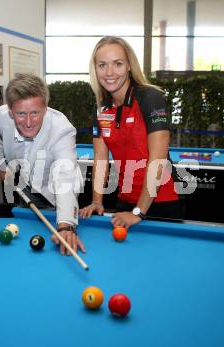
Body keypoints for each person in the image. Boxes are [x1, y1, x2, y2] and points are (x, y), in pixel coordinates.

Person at [80, 36, 184, 229]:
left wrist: (139, 212)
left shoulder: (150, 97)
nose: (109, 72)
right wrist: (96, 201)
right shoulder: (101, 109)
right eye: (102, 65)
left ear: (129, 65)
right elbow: (101, 160)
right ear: (95, 69)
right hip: (125, 203)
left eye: (117, 64)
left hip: (161, 204)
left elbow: (158, 160)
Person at [0, 73, 85, 255]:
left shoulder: (62, 130)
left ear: (45, 109)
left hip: (53, 195)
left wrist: (66, 226)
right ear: (11, 112)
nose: (28, 123)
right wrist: (4, 168)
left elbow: (65, 178)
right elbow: (0, 142)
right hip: (24, 187)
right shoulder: (1, 116)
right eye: (21, 114)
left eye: (35, 113)